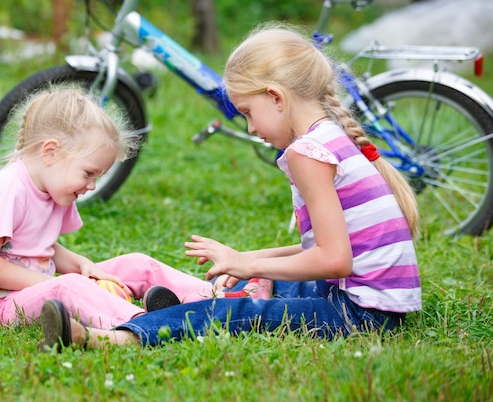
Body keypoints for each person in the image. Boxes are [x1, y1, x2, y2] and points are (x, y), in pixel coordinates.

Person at [37, 24, 422, 351]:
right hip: (371, 303)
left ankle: (113, 338)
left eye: (248, 113)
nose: (251, 128)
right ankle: (178, 309)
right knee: (267, 285)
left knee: (241, 314)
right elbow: (326, 248)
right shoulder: (331, 138)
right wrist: (253, 261)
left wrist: (247, 263)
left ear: (276, 97)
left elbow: (335, 260)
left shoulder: (309, 153)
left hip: (358, 313)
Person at [0, 85, 223, 331]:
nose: (92, 185)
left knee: (136, 264)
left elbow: (38, 247)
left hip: (39, 289)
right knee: (69, 286)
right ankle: (146, 324)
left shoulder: (53, 188)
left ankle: (218, 297)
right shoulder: (7, 191)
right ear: (51, 152)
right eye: (88, 173)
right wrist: (50, 283)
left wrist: (83, 265)